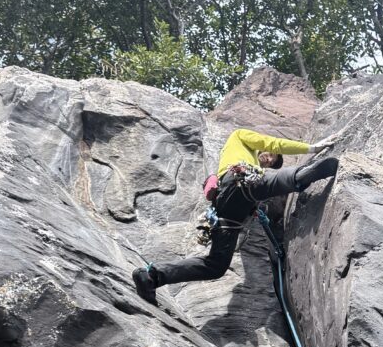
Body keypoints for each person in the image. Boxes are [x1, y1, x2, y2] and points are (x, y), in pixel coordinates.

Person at [132, 127, 338, 306]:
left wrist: (251, 209)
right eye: (272, 155)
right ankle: (302, 175)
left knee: (216, 265)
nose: (269, 160)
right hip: (239, 178)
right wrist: (312, 148)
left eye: (272, 161)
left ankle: (151, 276)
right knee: (267, 181)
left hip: (228, 208)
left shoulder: (250, 168)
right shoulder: (239, 137)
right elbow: (272, 142)